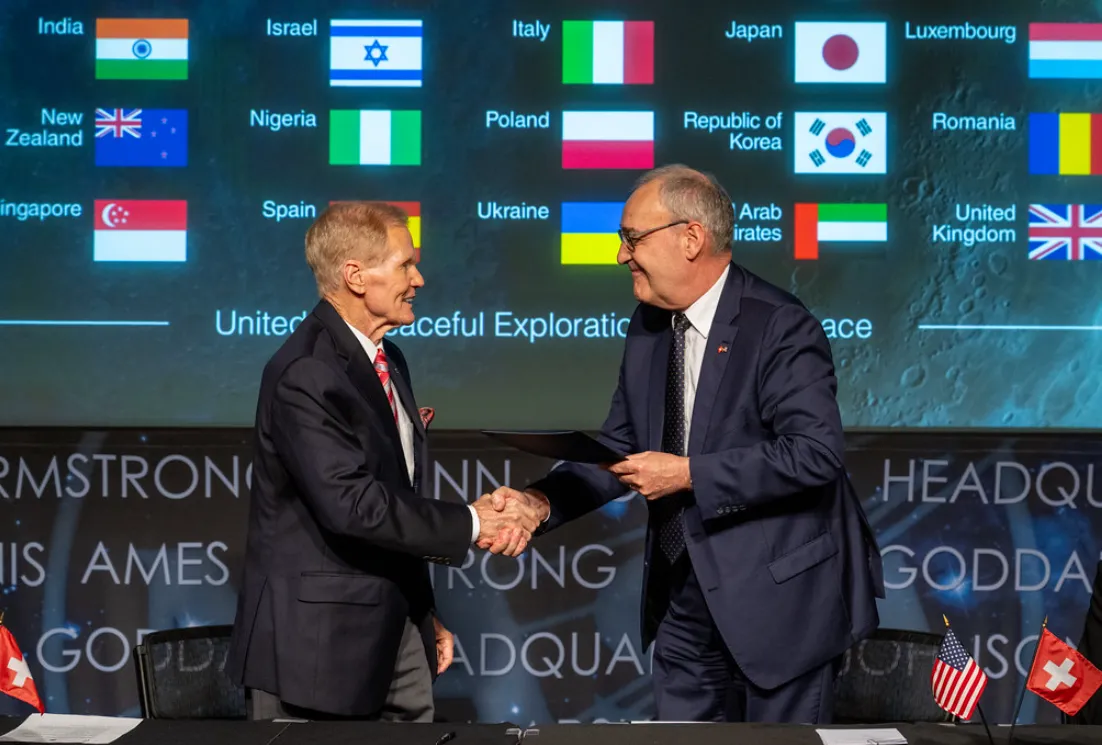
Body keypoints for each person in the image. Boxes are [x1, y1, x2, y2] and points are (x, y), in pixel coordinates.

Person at [482, 165, 885, 723]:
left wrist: (689, 474)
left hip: (781, 608)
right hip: (683, 605)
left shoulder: (779, 326)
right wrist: (540, 503)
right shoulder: (648, 326)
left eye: (631, 238)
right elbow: (620, 449)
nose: (621, 255)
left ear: (690, 238)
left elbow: (814, 454)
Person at [227, 202, 540, 721]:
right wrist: (475, 520)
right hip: (320, 652)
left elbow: (397, 496)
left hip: (398, 633)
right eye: (405, 265)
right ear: (355, 275)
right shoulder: (306, 371)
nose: (418, 278)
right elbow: (351, 505)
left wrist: (423, 611)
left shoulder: (388, 357)